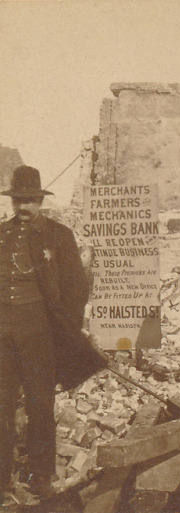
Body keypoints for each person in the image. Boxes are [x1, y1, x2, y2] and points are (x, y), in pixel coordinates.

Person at [0, 166, 107, 502]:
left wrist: (65, 331)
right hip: (2, 336)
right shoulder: (1, 234)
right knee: (1, 406)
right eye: (19, 200)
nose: (23, 208)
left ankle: (41, 476)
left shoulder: (59, 236)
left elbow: (76, 288)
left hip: (40, 335)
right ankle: (3, 480)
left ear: (40, 201)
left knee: (40, 405)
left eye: (30, 200)